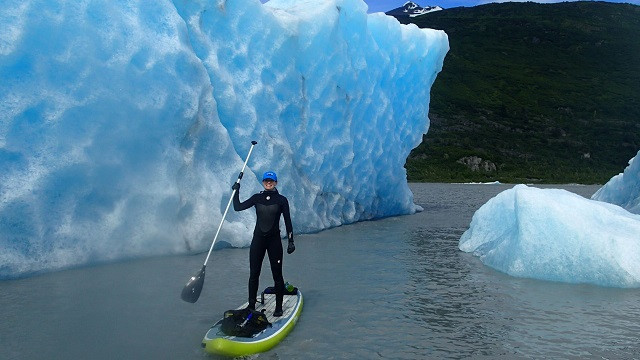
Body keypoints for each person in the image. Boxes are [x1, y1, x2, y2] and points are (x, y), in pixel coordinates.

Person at [232, 171, 295, 316]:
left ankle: (278, 308)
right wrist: (236, 191)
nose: (269, 183)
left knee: (277, 275)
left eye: (271, 181)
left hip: (274, 241)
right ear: (263, 182)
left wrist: (291, 241)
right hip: (258, 241)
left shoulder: (281, 200)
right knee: (254, 274)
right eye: (266, 180)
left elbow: (288, 221)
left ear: (276, 183)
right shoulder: (257, 198)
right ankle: (251, 305)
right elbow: (238, 207)